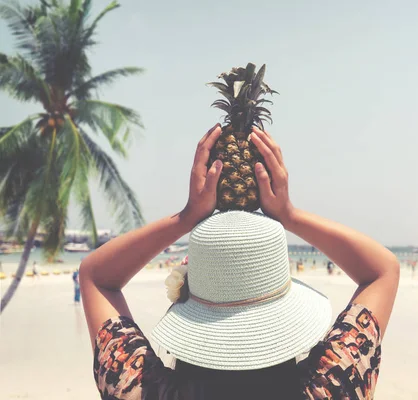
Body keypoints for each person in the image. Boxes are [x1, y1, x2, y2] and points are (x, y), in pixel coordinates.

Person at [80, 125, 400, 400]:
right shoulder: (332, 386)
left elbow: (96, 277)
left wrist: (186, 217)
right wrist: (289, 215)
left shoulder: (143, 390)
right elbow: (382, 270)